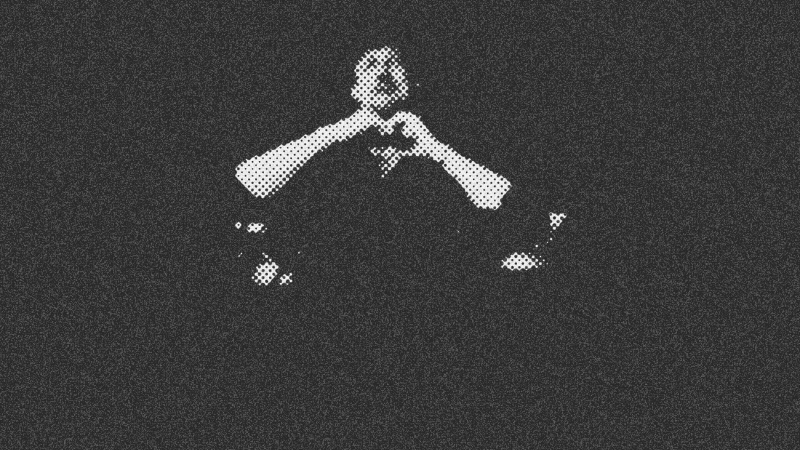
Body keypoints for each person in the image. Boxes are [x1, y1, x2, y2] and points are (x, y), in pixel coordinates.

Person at [232, 47, 565, 288]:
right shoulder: (327, 139)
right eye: (371, 64)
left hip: (435, 288)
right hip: (328, 287)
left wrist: (435, 149)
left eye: (394, 63)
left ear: (412, 83)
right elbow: (250, 180)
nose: (383, 73)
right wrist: (339, 131)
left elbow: (502, 202)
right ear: (353, 88)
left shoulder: (448, 137)